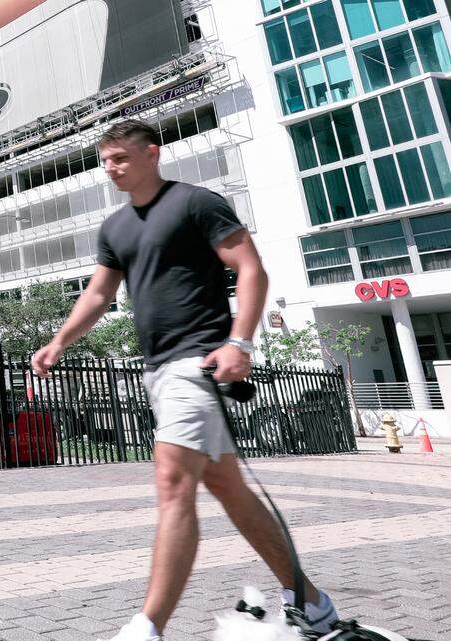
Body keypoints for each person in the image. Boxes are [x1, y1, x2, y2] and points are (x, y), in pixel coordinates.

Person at [30, 120, 338, 641]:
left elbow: (250, 268)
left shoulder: (197, 203)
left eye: (121, 158)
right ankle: (312, 603)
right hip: (159, 370)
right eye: (105, 161)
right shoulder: (115, 227)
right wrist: (60, 341)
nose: (111, 168)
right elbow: (99, 294)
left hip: (197, 364)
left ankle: (147, 627)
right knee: (229, 490)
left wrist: (239, 342)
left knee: (173, 484)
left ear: (153, 153)